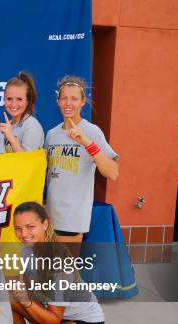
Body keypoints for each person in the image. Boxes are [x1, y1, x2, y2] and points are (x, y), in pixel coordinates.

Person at [8, 201, 105, 324]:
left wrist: (26, 302)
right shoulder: (28, 249)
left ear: (45, 224)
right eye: (18, 229)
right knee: (4, 294)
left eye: (30, 227)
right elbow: (28, 281)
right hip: (59, 318)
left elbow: (53, 321)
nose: (24, 234)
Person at [45, 76, 119, 244]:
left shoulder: (91, 131)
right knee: (51, 267)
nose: (68, 103)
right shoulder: (52, 134)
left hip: (72, 217)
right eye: (64, 98)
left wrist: (86, 142)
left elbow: (112, 172)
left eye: (74, 99)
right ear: (58, 101)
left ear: (83, 101)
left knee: (65, 268)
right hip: (50, 215)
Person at [0, 72, 44, 152]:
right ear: (3, 99)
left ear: (28, 101)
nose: (13, 104)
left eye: (19, 99)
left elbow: (27, 162)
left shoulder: (31, 126)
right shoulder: (10, 125)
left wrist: (11, 138)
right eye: (9, 99)